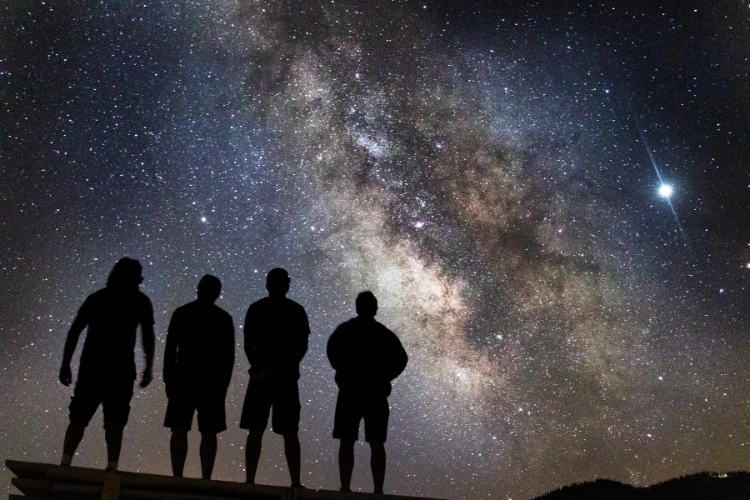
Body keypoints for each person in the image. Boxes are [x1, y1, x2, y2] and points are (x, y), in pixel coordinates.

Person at [58, 258, 155, 471]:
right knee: (115, 419)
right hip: (120, 369)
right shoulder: (140, 301)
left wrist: (66, 363)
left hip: (92, 366)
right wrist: (149, 366)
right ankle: (112, 466)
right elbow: (147, 335)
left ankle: (65, 462)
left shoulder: (97, 298)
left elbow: (75, 330)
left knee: (79, 417)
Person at [327, 291, 408, 494]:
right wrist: (386, 377)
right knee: (376, 442)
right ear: (375, 308)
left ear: (357, 307)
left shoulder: (345, 330)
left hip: (351, 391)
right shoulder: (385, 334)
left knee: (348, 440)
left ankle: (345, 487)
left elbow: (332, 350)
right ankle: (378, 490)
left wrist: (342, 373)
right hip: (375, 393)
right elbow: (401, 359)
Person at [240, 268, 310, 488]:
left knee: (256, 429)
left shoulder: (256, 308)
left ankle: (250, 480)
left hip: (261, 375)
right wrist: (291, 365)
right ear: (286, 285)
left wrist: (256, 364)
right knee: (290, 431)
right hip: (286, 377)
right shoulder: (297, 310)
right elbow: (302, 345)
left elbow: (247, 343)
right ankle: (295, 482)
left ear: (268, 284)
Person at [163, 275, 235, 480]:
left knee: (179, 427)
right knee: (208, 430)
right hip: (211, 381)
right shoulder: (223, 318)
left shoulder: (182, 313)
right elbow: (228, 356)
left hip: (184, 377)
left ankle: (178, 475)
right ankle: (206, 478)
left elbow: (170, 349)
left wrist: (168, 377)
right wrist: (224, 384)